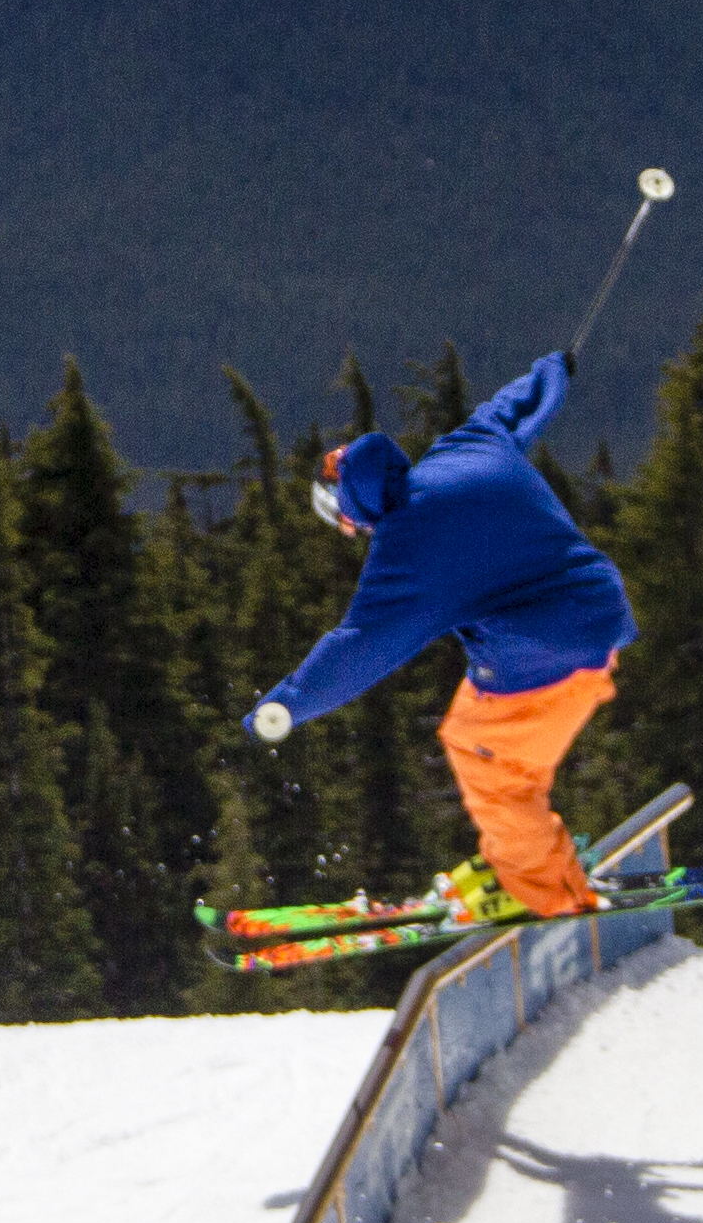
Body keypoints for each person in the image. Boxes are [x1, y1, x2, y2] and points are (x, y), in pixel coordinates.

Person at [243, 350, 636, 917]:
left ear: (355, 507)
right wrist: (553, 372)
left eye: (343, 521)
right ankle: (514, 850)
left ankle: (544, 892)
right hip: (597, 614)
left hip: (542, 653)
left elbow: (359, 648)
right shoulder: (465, 445)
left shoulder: (406, 547)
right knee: (467, 732)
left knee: (496, 773)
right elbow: (514, 409)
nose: (350, 533)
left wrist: (284, 706)